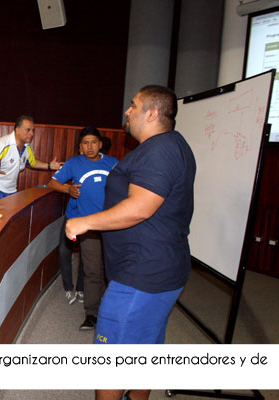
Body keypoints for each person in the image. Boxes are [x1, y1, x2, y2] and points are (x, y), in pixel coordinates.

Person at [66, 86, 196, 400]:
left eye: (134, 106)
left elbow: (140, 208)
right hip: (158, 269)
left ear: (152, 113)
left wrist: (85, 222)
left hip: (141, 276)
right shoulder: (168, 146)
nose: (127, 111)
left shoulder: (160, 150)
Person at [49, 127, 118, 329]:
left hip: (110, 223)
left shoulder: (113, 163)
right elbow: (53, 182)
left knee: (110, 268)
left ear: (100, 144)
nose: (90, 147)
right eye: (85, 143)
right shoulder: (74, 163)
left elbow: (125, 187)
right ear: (80, 146)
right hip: (85, 224)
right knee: (93, 269)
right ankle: (92, 313)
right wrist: (67, 189)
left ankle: (111, 310)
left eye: (94, 142)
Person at [0, 115, 62, 202]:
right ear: (17, 130)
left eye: (33, 130)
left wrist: (49, 165)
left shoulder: (27, 147)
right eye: (28, 130)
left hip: (10, 191)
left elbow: (32, 162)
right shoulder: (3, 144)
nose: (32, 133)